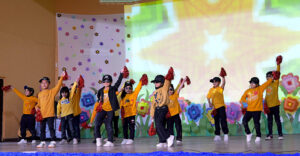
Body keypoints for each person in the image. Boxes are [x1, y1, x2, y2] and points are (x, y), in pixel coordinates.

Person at [240, 70, 279, 143]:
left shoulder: (260, 89)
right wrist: (244, 103)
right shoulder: (247, 91)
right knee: (244, 121)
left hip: (257, 110)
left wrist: (273, 76)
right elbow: (242, 99)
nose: (251, 84)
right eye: (251, 82)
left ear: (257, 84)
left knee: (256, 123)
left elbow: (268, 82)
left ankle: (258, 136)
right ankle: (248, 133)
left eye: (253, 83)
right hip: (249, 110)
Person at [94, 67, 128, 147]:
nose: (106, 83)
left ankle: (110, 141)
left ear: (111, 82)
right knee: (97, 123)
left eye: (108, 81)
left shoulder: (113, 88)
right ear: (102, 82)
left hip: (110, 110)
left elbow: (118, 82)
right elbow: (99, 98)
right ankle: (98, 139)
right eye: (104, 81)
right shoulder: (100, 90)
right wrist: (99, 101)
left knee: (109, 125)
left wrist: (121, 73)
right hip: (102, 109)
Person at [36, 72, 66, 148]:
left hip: (50, 114)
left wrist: (62, 77)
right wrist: (36, 107)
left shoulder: (51, 92)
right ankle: (42, 141)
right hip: (42, 115)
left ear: (49, 84)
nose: (44, 84)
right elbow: (38, 104)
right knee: (42, 129)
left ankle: (53, 141)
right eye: (42, 83)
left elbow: (58, 86)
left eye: (45, 83)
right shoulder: (39, 94)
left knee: (51, 128)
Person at [150, 67, 175, 148]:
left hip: (163, 108)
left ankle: (168, 136)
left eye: (157, 82)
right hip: (157, 110)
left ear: (162, 83)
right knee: (158, 126)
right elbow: (153, 104)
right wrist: (152, 114)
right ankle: (162, 141)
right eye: (155, 82)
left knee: (159, 124)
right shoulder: (155, 92)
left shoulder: (164, 88)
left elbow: (167, 82)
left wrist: (169, 75)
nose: (155, 83)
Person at [120, 74, 148, 145]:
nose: (128, 89)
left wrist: (141, 81)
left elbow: (138, 88)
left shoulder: (134, 94)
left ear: (132, 89)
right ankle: (125, 138)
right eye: (126, 88)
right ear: (124, 88)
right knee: (125, 127)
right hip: (125, 115)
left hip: (131, 114)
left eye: (130, 88)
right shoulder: (122, 95)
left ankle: (131, 139)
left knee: (131, 127)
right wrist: (121, 90)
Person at [207, 68, 229, 142]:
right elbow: (208, 97)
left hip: (221, 107)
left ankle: (226, 134)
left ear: (218, 82)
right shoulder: (211, 90)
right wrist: (209, 103)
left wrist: (223, 77)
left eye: (215, 82)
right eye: (213, 82)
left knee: (223, 121)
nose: (214, 83)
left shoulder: (220, 88)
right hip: (215, 108)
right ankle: (217, 135)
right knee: (216, 121)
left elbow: (224, 84)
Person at [265, 55, 283, 140]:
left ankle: (280, 135)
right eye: (268, 76)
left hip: (275, 105)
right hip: (268, 106)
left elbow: (278, 73)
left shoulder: (275, 83)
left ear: (273, 77)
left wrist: (278, 64)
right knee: (269, 121)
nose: (269, 77)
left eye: (271, 76)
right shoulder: (265, 85)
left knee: (277, 121)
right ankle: (270, 134)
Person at [167, 77, 187, 145]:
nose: (170, 91)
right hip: (169, 115)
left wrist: (183, 81)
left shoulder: (175, 94)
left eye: (171, 89)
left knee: (178, 126)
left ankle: (179, 138)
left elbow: (179, 88)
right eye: (169, 89)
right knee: (170, 127)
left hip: (176, 114)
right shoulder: (165, 97)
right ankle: (171, 138)